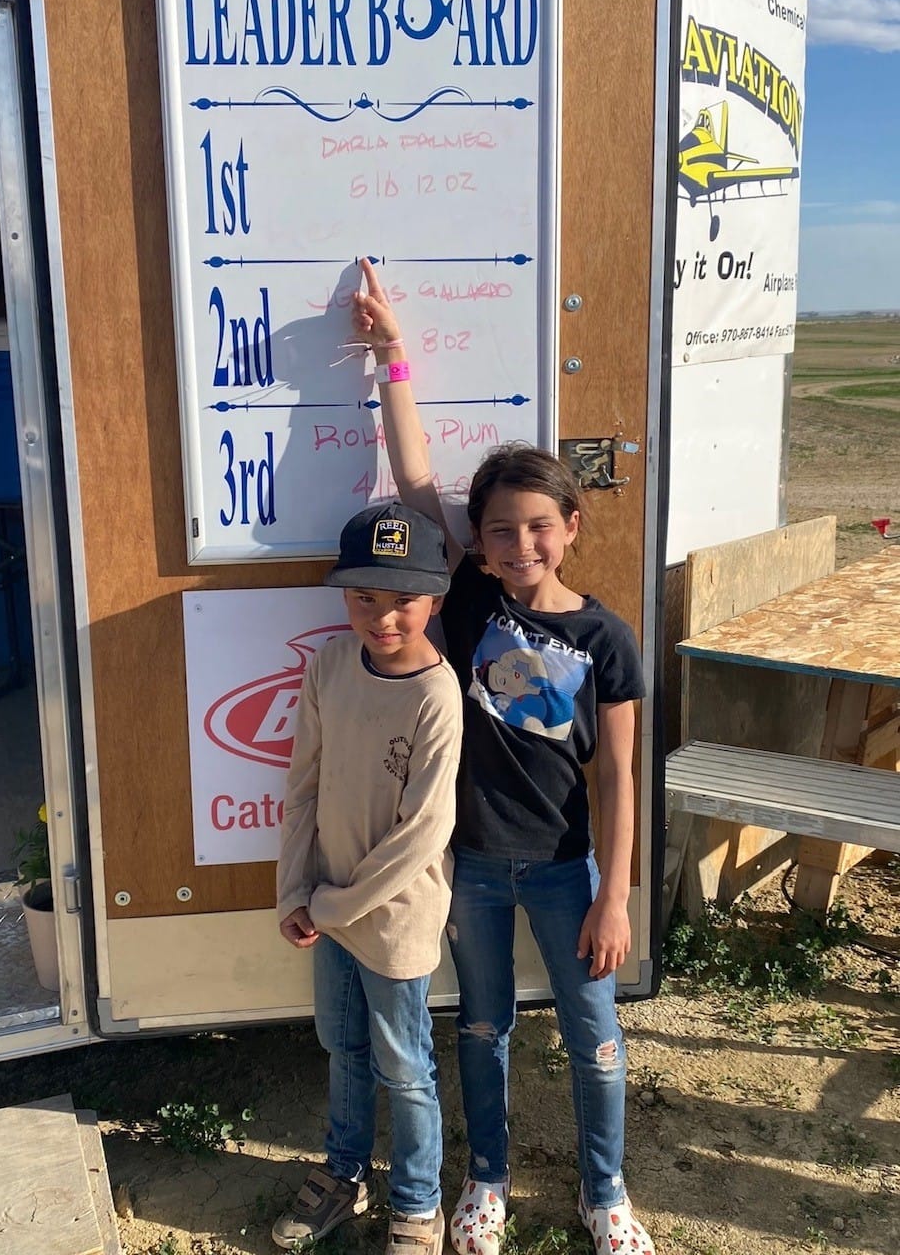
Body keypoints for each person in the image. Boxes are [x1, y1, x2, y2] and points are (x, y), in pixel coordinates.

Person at [350, 257, 657, 1255]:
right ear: (475, 545)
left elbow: (616, 775)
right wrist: (394, 358)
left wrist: (614, 897)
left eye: (538, 526)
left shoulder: (607, 639)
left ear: (569, 528)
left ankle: (606, 1194)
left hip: (567, 870)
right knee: (480, 1028)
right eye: (498, 530)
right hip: (472, 867)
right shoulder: (472, 597)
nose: (519, 543)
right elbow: (414, 479)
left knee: (594, 1037)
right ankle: (485, 1181)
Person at [273, 499, 463, 1255]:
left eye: (403, 600)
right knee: (343, 1047)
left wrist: (335, 905)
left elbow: (423, 835)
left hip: (393, 921)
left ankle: (418, 1204)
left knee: (405, 1065)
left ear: (435, 600)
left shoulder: (436, 697)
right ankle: (344, 1172)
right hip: (325, 908)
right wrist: (295, 892)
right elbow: (303, 788)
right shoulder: (328, 665)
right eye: (365, 598)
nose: (383, 618)